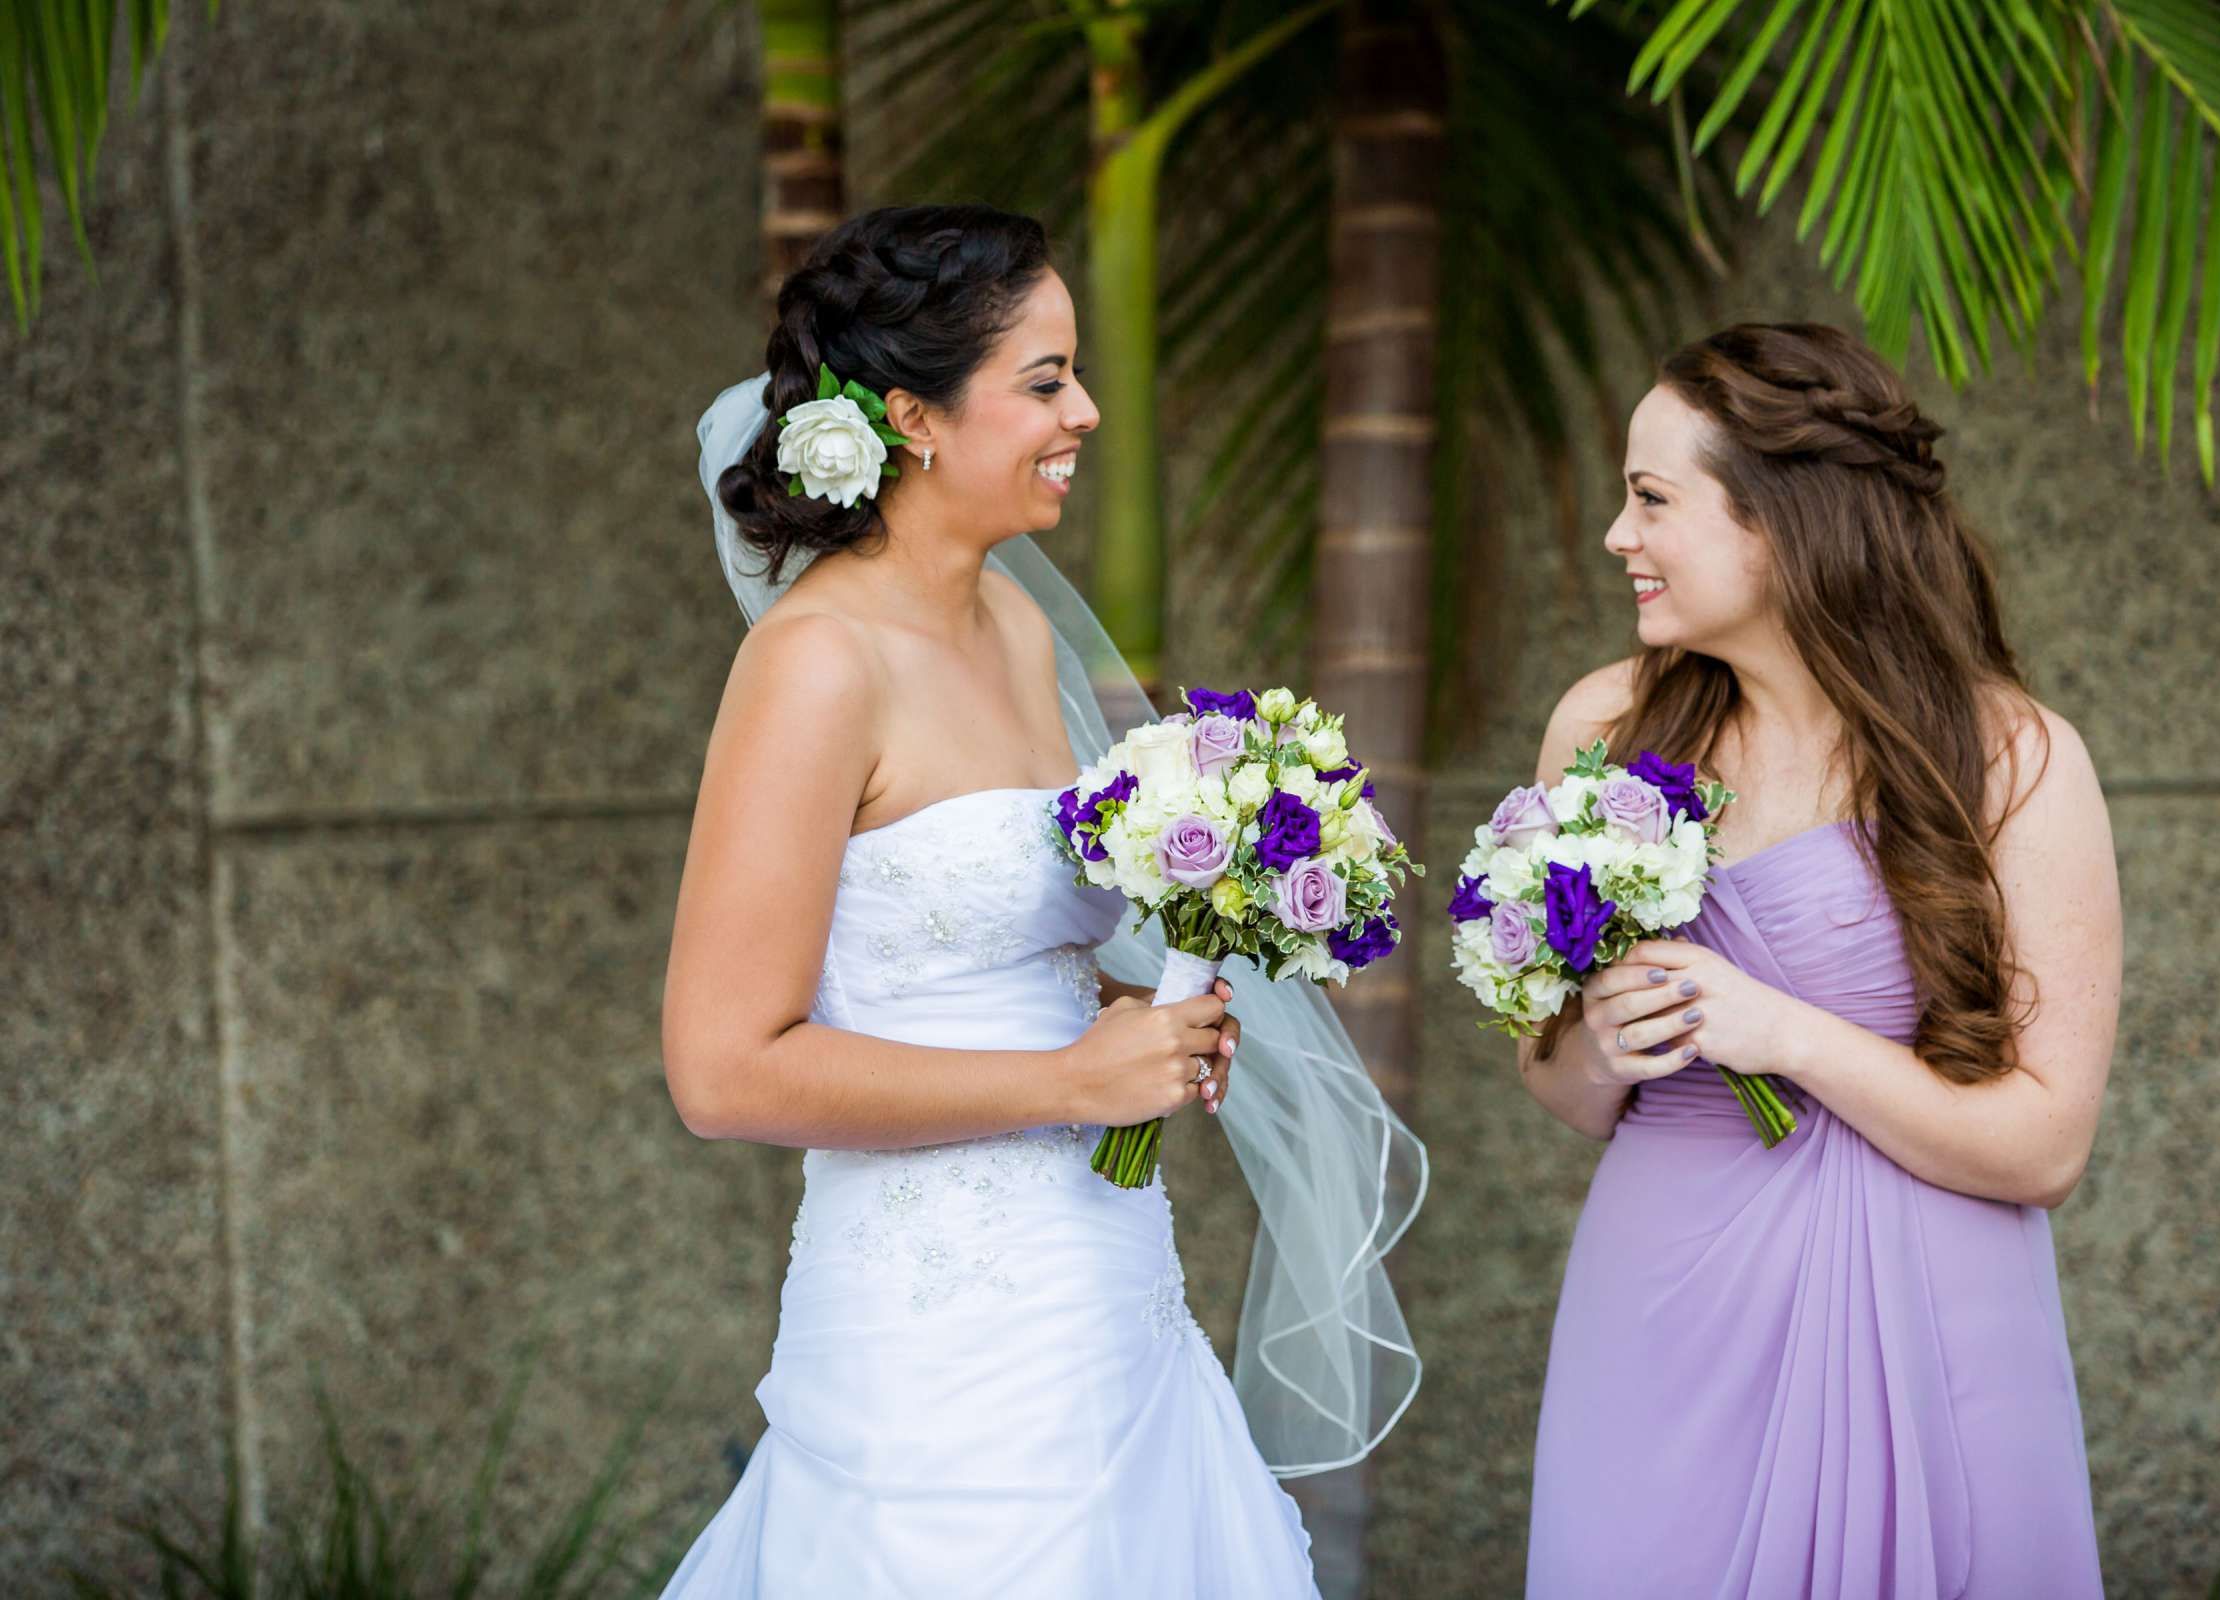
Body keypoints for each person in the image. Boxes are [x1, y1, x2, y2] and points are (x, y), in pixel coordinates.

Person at [657, 204, 1419, 1596]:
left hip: (1106, 1285)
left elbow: (990, 954)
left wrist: (1145, 1013)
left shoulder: (1009, 618)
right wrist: (1072, 1078)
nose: (1090, 412)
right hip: (934, 1338)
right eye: (1047, 380)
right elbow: (722, 1070)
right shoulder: (817, 663)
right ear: (915, 417)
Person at [1520, 323, 2116, 1598]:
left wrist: (1781, 1033)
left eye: (1651, 499)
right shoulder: (1604, 729)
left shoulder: (2016, 760)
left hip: (1930, 1307)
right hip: (1661, 1304)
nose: (1619, 536)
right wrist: (1600, 1045)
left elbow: (2047, 1146)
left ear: (1783, 521)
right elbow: (1561, 1090)